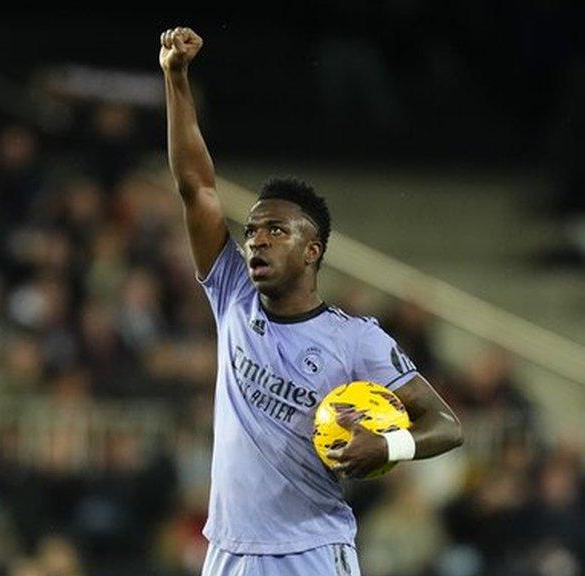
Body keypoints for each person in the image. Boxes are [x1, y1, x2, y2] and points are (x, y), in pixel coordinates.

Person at [159, 27, 463, 576]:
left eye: (275, 230)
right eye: (251, 231)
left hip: (311, 552)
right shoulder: (231, 295)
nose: (256, 240)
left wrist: (388, 447)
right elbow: (197, 187)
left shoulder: (356, 338)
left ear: (312, 250)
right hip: (227, 551)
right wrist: (175, 77)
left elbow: (445, 423)